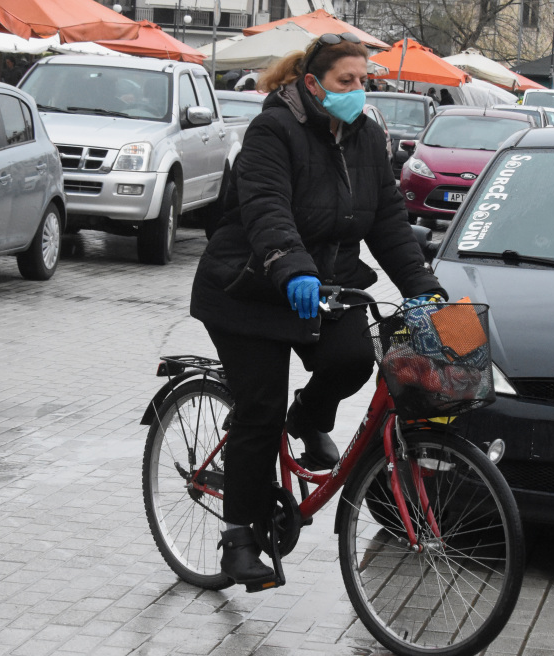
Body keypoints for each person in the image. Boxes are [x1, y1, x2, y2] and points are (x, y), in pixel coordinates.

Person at [189, 33, 445, 589]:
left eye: (363, 81)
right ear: (312, 84)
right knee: (259, 407)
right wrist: (291, 264)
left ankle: (307, 418)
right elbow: (266, 208)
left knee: (354, 358)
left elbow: (388, 223)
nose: (357, 91)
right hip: (249, 288)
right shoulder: (272, 130)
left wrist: (422, 285)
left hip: (324, 286)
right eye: (344, 82)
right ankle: (237, 539)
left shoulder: (367, 137)